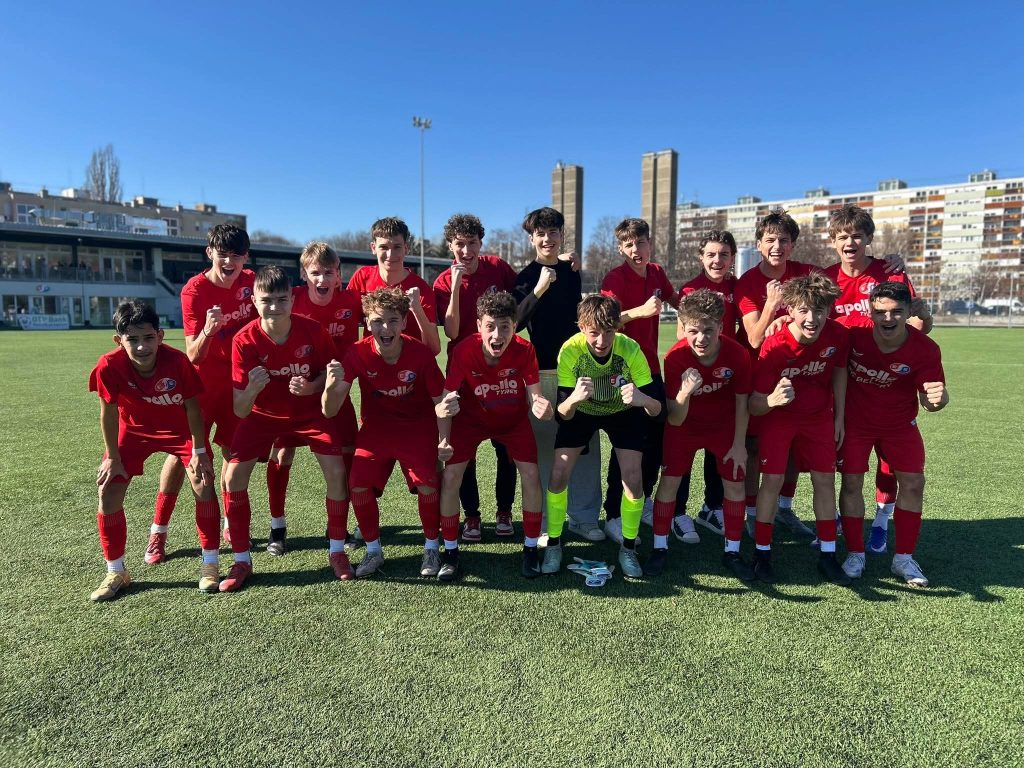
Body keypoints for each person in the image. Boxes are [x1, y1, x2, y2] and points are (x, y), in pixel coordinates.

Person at [220, 266, 348, 591]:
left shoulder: (313, 331)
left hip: (309, 414)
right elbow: (240, 409)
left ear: (292, 299)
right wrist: (252, 389)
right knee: (233, 477)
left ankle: (337, 551)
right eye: (267, 300)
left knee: (337, 473)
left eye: (281, 299)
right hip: (262, 416)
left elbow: (331, 374)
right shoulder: (243, 340)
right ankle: (241, 560)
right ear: (254, 301)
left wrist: (312, 387)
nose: (274, 306)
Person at [88, 301, 218, 600]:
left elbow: (193, 408)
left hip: (180, 431)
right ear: (118, 340)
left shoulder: (178, 361)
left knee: (204, 482)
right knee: (108, 490)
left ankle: (210, 563)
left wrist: (199, 451)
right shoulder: (108, 365)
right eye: (132, 339)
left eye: (148, 338)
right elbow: (108, 413)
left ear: (160, 336)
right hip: (134, 432)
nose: (141, 346)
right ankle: (116, 571)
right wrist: (112, 457)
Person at [823, 204, 932, 553]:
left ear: (869, 238)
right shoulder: (825, 279)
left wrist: (922, 322)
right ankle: (837, 519)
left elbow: (917, 325)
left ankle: (882, 521)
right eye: (843, 236)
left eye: (857, 235)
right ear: (833, 241)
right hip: (842, 382)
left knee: (890, 463)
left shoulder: (890, 272)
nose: (850, 242)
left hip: (888, 385)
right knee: (842, 462)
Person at [148, 223, 256, 562]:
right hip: (201, 389)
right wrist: (209, 331)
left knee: (232, 454)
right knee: (182, 456)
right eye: (222, 255)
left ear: (245, 258)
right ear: (209, 253)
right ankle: (158, 531)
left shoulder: (251, 282)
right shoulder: (194, 291)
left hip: (237, 385)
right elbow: (193, 355)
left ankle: (229, 522)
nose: (229, 263)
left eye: (236, 256)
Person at [324, 288, 448, 579]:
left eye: (393, 320)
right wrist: (330, 386)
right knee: (358, 484)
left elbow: (440, 401)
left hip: (417, 427)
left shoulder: (419, 353)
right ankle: (373, 550)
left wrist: (443, 440)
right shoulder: (356, 353)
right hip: (377, 430)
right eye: (378, 321)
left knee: (428, 483)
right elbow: (329, 410)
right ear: (367, 323)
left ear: (404, 322)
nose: (386, 328)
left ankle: (431, 547)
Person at [435, 292, 553, 580]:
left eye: (504, 327)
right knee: (451, 477)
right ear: (479, 326)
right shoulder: (464, 350)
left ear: (514, 327)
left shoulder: (525, 350)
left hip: (513, 422)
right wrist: (444, 439)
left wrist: (543, 408)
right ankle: (450, 552)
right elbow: (446, 401)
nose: (497, 335)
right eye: (490, 326)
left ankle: (530, 549)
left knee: (531, 474)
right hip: (471, 421)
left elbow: (537, 399)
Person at [544, 295, 663, 579]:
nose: (601, 340)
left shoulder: (630, 348)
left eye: (609, 331)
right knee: (558, 472)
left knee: (633, 478)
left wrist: (642, 399)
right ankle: (554, 544)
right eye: (594, 332)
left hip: (623, 411)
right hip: (582, 411)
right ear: (581, 327)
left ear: (617, 328)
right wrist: (573, 399)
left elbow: (658, 409)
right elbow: (563, 414)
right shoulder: (570, 350)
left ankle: (628, 549)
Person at [838, 281, 948, 587]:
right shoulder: (852, 331)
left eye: (897, 311)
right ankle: (855, 553)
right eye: (881, 312)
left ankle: (903, 559)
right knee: (851, 483)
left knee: (913, 483)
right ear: (870, 311)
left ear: (909, 312)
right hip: (856, 424)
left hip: (899, 426)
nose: (888, 318)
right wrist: (783, 319)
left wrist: (939, 399)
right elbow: (815, 326)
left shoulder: (925, 349)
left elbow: (931, 402)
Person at [749, 272, 849, 585]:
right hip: (779, 418)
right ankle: (762, 553)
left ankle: (828, 555)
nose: (812, 318)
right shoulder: (775, 344)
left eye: (819, 310)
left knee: (825, 481)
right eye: (804, 310)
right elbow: (754, 404)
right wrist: (773, 400)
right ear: (790, 310)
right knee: (772, 480)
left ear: (829, 310)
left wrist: (839, 417)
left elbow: (840, 371)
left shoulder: (837, 334)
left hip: (818, 418)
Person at [264, 242, 363, 555]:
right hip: (294, 391)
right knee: (282, 455)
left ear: (339, 275)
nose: (322, 279)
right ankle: (277, 527)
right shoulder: (291, 299)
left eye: (328, 273)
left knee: (347, 455)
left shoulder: (353, 301)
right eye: (315, 273)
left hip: (336, 390)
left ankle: (339, 527)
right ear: (303, 275)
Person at [648, 289, 752, 580]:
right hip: (685, 428)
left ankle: (732, 551)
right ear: (682, 328)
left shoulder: (737, 354)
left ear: (721, 326)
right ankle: (659, 548)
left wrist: (739, 444)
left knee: (734, 486)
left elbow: (742, 403)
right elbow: (676, 418)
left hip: (723, 428)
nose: (701, 338)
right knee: (669, 483)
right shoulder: (675, 356)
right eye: (693, 331)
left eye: (708, 330)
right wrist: (684, 393)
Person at [512, 207, 602, 542]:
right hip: (543, 373)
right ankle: (548, 521)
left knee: (585, 447)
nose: (547, 239)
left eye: (553, 232)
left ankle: (584, 517)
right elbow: (516, 323)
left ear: (562, 236)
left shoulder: (572, 270)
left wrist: (567, 265)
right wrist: (538, 288)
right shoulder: (525, 277)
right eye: (541, 234)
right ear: (531, 239)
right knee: (545, 449)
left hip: (579, 371)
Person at [433, 213, 518, 542]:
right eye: (460, 244)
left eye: (472, 243)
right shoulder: (443, 281)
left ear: (481, 244)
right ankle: (471, 516)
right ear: (450, 245)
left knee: (505, 446)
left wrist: (562, 263)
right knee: (463, 450)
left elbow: (525, 291)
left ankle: (504, 511)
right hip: (463, 374)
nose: (466, 251)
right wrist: (456, 285)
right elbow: (452, 331)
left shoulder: (497, 267)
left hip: (500, 370)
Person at [599, 217, 677, 542]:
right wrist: (639, 312)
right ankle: (613, 514)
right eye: (628, 244)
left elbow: (678, 300)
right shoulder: (614, 278)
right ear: (620, 249)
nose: (635, 249)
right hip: (623, 374)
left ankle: (641, 501)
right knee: (627, 444)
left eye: (640, 242)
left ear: (650, 244)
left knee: (656, 443)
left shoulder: (657, 272)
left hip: (652, 371)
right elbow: (604, 321)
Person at [673, 230, 745, 541]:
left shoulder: (737, 287)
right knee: (683, 448)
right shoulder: (690, 288)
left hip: (725, 377)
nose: (718, 260)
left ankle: (712, 507)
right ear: (701, 257)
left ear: (732, 258)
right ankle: (678, 512)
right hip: (696, 376)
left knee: (719, 448)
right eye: (711, 254)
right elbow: (682, 336)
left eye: (724, 254)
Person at [347, 217, 440, 356]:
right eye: (384, 247)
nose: (390, 255)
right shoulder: (361, 277)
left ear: (406, 248)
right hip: (372, 363)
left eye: (397, 247)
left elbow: (434, 349)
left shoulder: (421, 289)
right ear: (373, 248)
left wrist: (417, 309)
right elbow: (345, 321)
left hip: (409, 365)